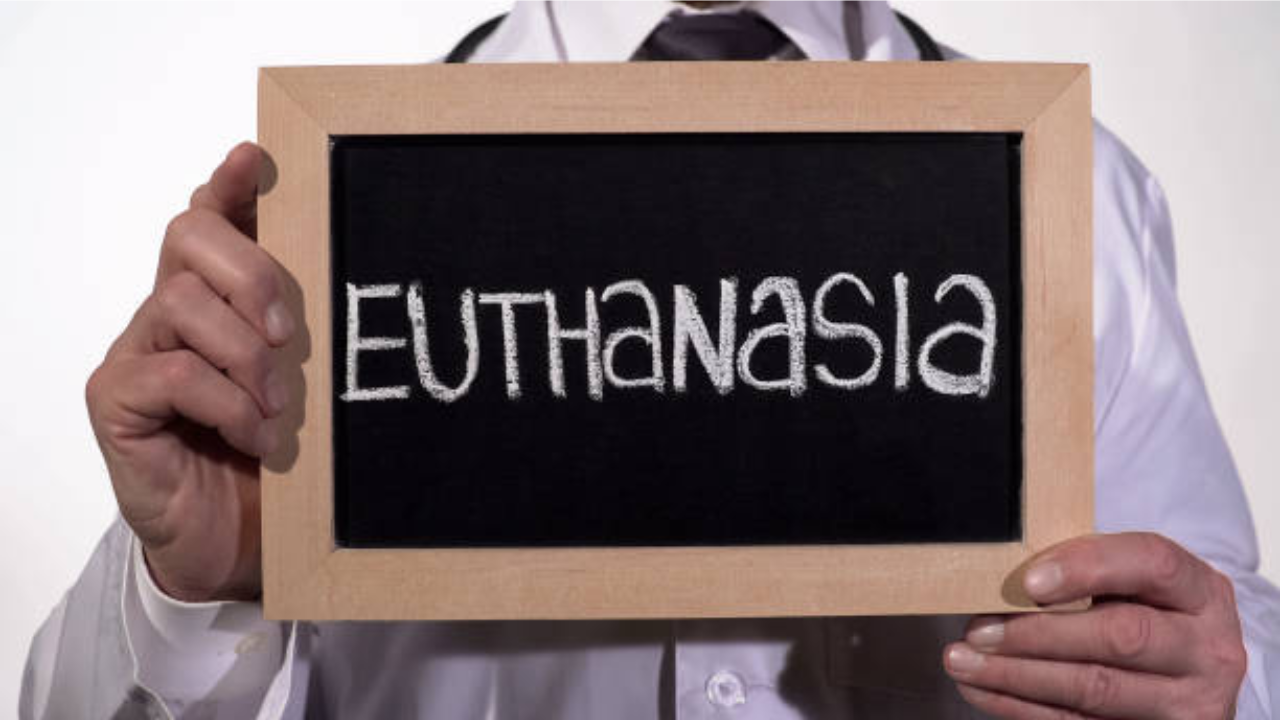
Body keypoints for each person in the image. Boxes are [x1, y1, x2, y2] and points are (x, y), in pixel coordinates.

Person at [20, 2, 1280, 719]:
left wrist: (1224, 680)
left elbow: (1221, 631)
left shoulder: (1072, 189)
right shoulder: (331, 201)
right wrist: (187, 592)